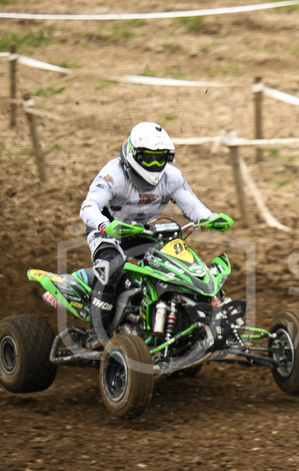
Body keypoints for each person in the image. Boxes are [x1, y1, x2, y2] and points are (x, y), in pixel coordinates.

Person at [79, 121, 228, 341]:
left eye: (162, 158)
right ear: (133, 155)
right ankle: (96, 332)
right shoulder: (113, 175)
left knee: (177, 267)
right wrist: (105, 225)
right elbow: (88, 207)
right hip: (108, 230)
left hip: (143, 232)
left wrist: (210, 218)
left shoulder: (172, 177)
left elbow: (194, 207)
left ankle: (178, 323)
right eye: (149, 158)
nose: (155, 164)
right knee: (112, 267)